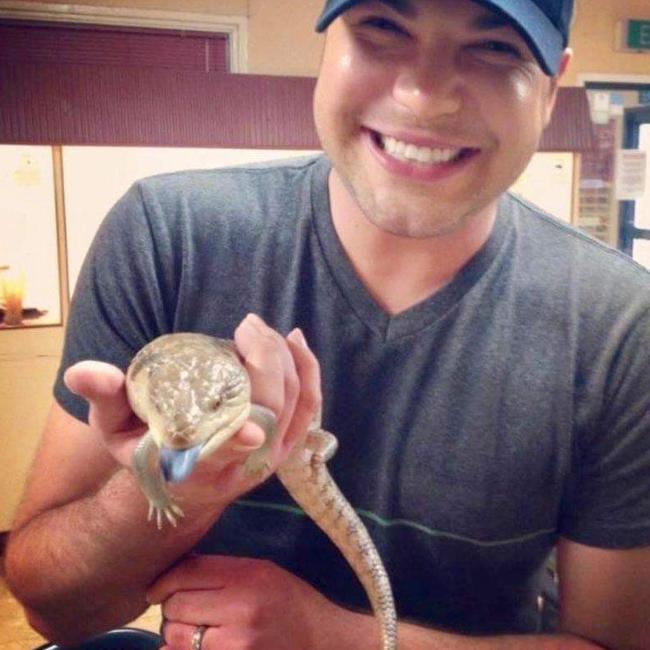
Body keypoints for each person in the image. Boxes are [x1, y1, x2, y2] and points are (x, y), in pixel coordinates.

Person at [6, 0, 650, 647]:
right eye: (383, 29)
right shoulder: (166, 236)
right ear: (327, 46)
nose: (423, 96)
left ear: (550, 90)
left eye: (494, 48)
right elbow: (56, 609)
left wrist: (337, 637)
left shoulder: (621, 326)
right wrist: (192, 483)